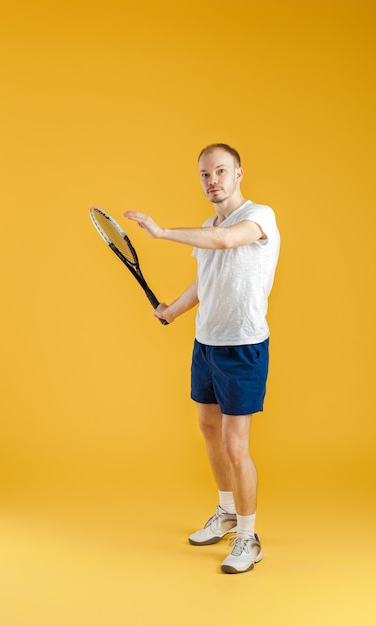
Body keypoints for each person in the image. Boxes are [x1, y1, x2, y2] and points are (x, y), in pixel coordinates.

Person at [124, 143, 280, 574]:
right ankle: (227, 512)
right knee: (209, 430)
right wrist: (173, 310)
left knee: (235, 444)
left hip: (242, 346)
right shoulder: (209, 225)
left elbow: (229, 241)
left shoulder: (258, 217)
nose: (212, 181)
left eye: (220, 172)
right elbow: (205, 278)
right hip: (205, 344)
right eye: (205, 175)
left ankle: (249, 537)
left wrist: (162, 232)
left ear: (239, 174)